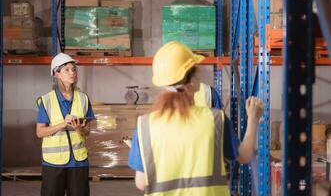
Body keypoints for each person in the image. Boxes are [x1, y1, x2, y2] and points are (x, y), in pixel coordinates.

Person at [128, 41, 263, 196]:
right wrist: (252, 119)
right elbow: (245, 156)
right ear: (192, 81)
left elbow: (141, 182)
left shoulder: (145, 125)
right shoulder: (215, 120)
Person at [36, 53, 95, 196]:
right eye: (67, 69)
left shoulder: (83, 98)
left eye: (74, 69)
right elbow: (40, 132)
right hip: (54, 163)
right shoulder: (46, 100)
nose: (72, 73)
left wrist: (80, 129)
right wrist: (62, 124)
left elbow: (87, 131)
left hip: (79, 162)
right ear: (56, 73)